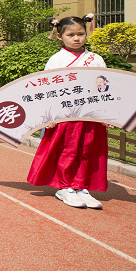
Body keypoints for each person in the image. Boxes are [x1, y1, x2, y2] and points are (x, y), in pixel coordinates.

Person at [27, 14, 107, 209]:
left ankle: (81, 186)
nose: (76, 38)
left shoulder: (95, 59)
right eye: (70, 34)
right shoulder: (56, 60)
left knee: (87, 151)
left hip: (89, 114)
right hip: (64, 116)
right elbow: (46, 91)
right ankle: (65, 187)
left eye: (80, 33)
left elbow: (106, 87)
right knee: (68, 151)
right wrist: (48, 116)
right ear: (60, 36)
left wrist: (107, 114)